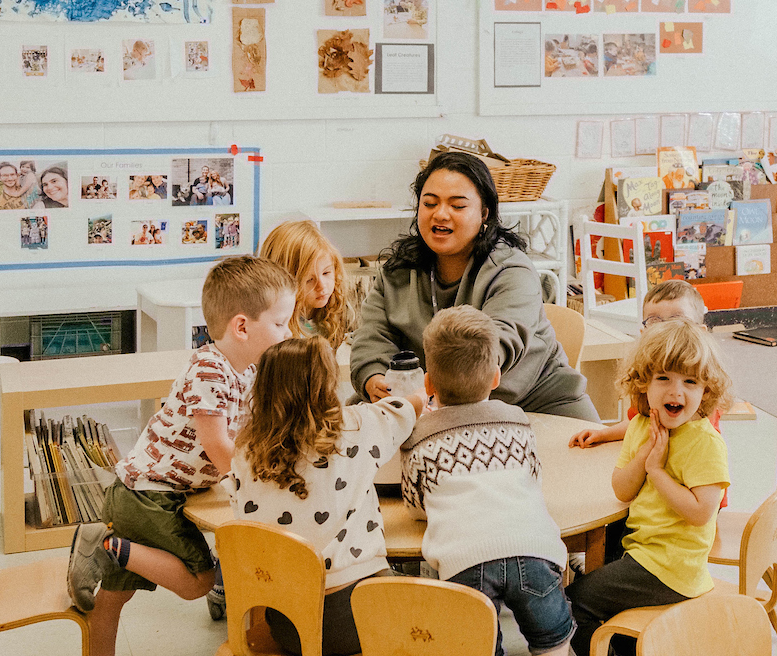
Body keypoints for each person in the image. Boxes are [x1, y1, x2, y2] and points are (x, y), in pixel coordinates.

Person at [67, 255, 294, 656]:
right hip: (151, 495)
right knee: (198, 582)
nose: (288, 333)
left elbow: (244, 429)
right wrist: (268, 474)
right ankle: (101, 544)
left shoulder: (242, 368)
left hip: (141, 490)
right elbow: (219, 448)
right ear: (243, 327)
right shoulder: (210, 371)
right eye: (281, 323)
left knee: (115, 590)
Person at [401, 307, 572, 656]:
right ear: (496, 377)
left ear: (429, 382)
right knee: (551, 637)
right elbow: (531, 478)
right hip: (534, 549)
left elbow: (416, 503)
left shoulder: (422, 438)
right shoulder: (518, 424)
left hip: (465, 564)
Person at [566, 320, 732, 656]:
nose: (676, 391)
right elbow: (622, 487)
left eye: (689, 382)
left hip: (673, 565)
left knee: (571, 604)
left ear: (705, 392)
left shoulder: (704, 442)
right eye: (663, 379)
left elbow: (700, 514)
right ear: (644, 384)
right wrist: (643, 455)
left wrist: (657, 471)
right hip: (646, 554)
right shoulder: (644, 425)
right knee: (591, 591)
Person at [349, 149, 597, 419]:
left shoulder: (511, 269)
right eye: (429, 203)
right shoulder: (397, 271)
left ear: (484, 214)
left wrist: (437, 395)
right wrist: (372, 376)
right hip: (429, 407)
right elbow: (372, 335)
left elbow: (498, 344)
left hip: (537, 403)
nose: (441, 214)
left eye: (457, 206)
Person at [222, 334, 417, 656]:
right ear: (327, 386)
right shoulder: (355, 427)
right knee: (427, 606)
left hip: (286, 624)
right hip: (351, 618)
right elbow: (409, 407)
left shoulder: (245, 450)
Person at [568, 278, 708, 450]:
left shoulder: (701, 383)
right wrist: (604, 434)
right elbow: (639, 422)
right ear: (644, 334)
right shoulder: (647, 374)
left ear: (701, 334)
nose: (665, 331)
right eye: (655, 323)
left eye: (677, 321)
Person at [260, 218, 353, 349]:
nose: (322, 286)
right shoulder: (274, 328)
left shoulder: (334, 307)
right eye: (309, 280)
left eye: (326, 273)